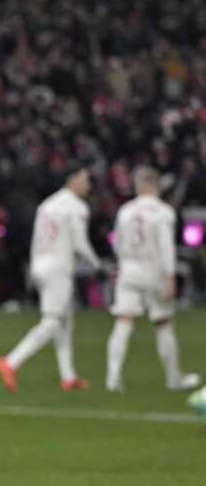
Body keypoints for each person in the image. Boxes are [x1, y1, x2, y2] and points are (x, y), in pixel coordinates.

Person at [0, 166, 101, 392]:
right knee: (53, 320)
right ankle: (11, 362)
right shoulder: (76, 207)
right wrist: (97, 265)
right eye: (84, 179)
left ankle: (68, 377)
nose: (88, 185)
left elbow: (37, 238)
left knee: (65, 320)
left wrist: (34, 268)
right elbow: (80, 242)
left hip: (41, 264)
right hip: (58, 267)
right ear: (72, 180)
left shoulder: (47, 204)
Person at [105, 166, 199, 392]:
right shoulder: (163, 211)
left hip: (128, 269)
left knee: (123, 322)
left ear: (140, 185)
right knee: (163, 323)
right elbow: (166, 246)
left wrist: (122, 265)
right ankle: (173, 378)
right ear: (156, 185)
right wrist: (170, 277)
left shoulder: (125, 210)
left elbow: (117, 243)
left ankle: (113, 378)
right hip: (153, 271)